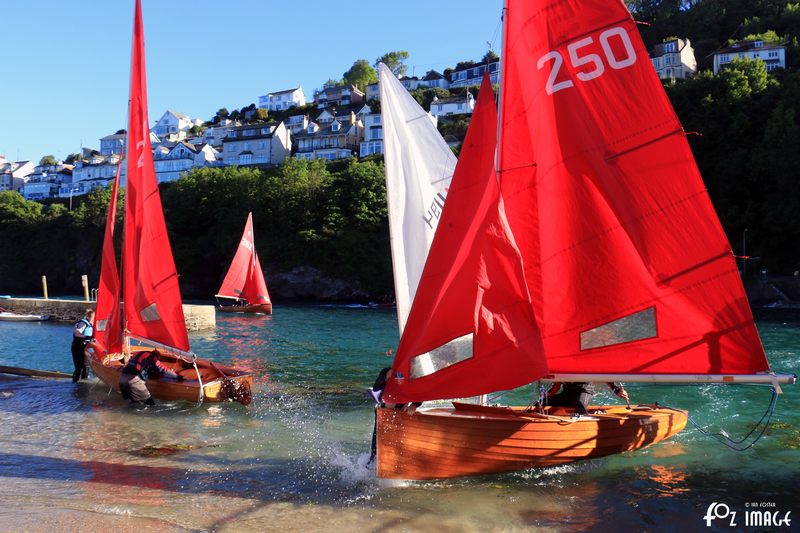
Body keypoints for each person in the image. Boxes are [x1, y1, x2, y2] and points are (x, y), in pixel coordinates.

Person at [119, 349, 183, 405]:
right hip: (133, 381)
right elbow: (163, 370)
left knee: (133, 403)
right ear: (157, 357)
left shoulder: (138, 354)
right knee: (149, 404)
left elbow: (139, 367)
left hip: (122, 379)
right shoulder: (153, 357)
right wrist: (177, 377)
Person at [544, 382, 629, 415]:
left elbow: (603, 375)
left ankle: (583, 422)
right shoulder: (563, 366)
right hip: (567, 394)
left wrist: (617, 391)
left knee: (580, 402)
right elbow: (556, 386)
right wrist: (547, 396)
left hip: (584, 391)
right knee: (544, 402)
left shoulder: (584, 364)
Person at [71, 309, 95, 382]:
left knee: (86, 366)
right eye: (93, 318)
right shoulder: (83, 323)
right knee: (79, 367)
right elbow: (77, 333)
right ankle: (76, 384)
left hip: (86, 347)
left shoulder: (91, 324)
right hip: (78, 346)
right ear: (88, 316)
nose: (93, 319)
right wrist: (87, 337)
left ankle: (84, 382)